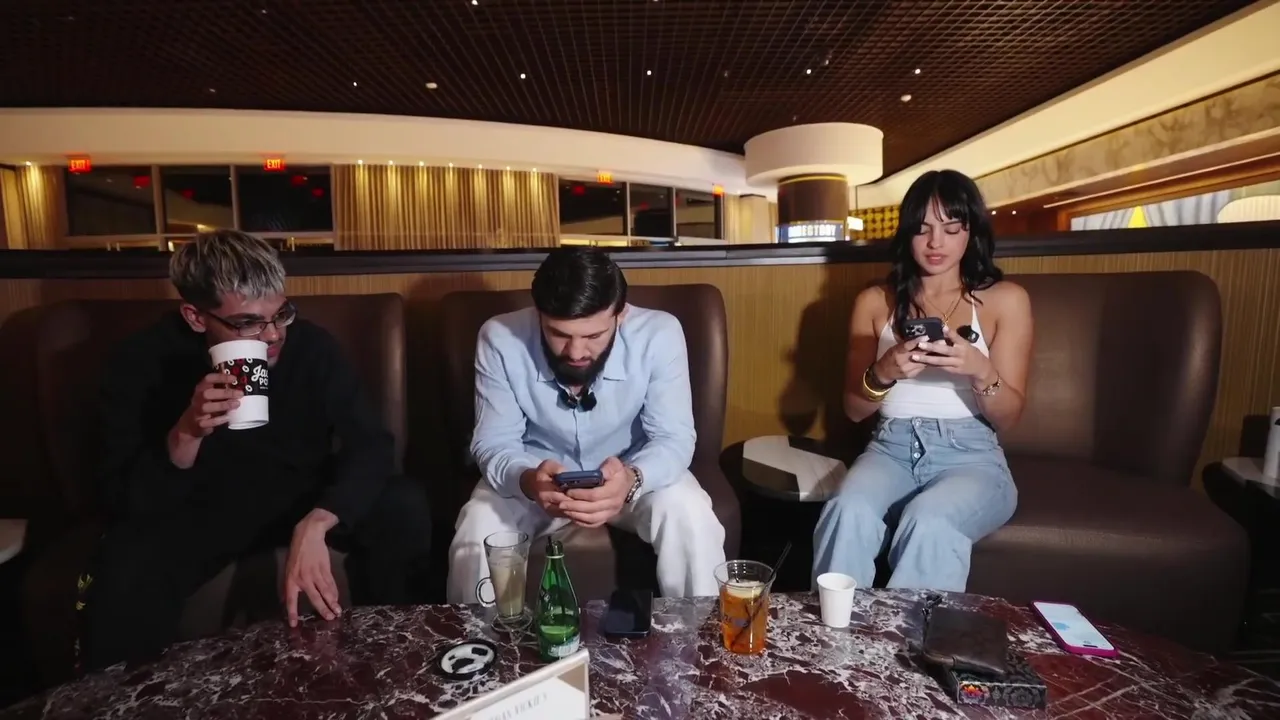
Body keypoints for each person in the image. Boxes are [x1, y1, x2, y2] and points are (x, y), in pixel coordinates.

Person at [80, 230, 432, 671]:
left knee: (402, 504)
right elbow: (124, 497)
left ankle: (402, 663)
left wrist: (320, 520)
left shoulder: (312, 347)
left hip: (298, 495)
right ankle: (132, 695)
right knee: (125, 565)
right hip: (203, 509)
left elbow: (372, 445)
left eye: (280, 314)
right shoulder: (141, 360)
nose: (273, 335)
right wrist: (187, 433)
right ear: (195, 317)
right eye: (247, 323)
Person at [447, 246, 725, 602]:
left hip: (631, 473)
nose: (576, 352)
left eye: (593, 336)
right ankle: (476, 637)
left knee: (691, 513)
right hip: (536, 480)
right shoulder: (499, 337)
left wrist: (631, 480)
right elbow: (493, 442)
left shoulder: (660, 333)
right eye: (559, 334)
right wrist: (529, 480)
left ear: (620, 315)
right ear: (538, 314)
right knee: (477, 525)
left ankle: (703, 633)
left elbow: (674, 438)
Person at [812, 170, 1033, 593]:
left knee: (929, 520)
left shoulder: (1005, 300)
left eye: (951, 228)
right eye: (923, 229)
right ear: (907, 233)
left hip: (971, 456)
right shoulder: (874, 301)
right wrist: (884, 373)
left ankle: (910, 634)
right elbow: (854, 410)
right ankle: (835, 631)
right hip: (890, 449)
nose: (935, 242)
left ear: (971, 232)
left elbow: (1008, 418)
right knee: (846, 510)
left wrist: (980, 369)